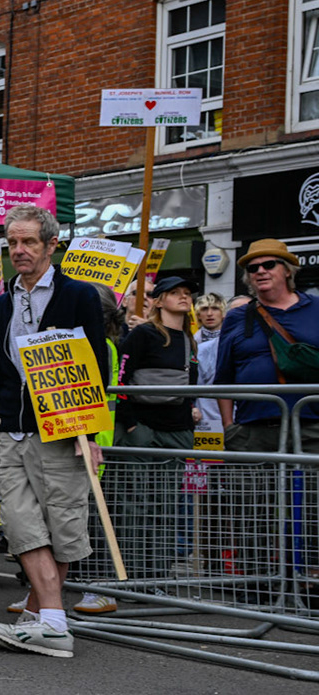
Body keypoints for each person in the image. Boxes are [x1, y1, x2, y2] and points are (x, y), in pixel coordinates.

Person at [0, 204, 111, 659]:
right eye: (13, 242)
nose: (19, 250)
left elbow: (97, 366)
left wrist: (90, 436)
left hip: (62, 432)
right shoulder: (1, 305)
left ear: (51, 245)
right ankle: (53, 622)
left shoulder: (79, 296)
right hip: (12, 433)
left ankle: (42, 619)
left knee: (62, 526)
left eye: (28, 242)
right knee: (20, 526)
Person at [112, 274, 199, 581]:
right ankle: (133, 573)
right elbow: (120, 381)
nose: (184, 297)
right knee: (136, 504)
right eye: (175, 292)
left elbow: (191, 386)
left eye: (187, 292)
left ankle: (158, 573)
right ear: (160, 301)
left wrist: (188, 424)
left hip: (177, 433)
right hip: (142, 430)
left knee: (166, 505)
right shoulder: (143, 335)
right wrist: (132, 425)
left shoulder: (189, 339)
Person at [213, 239, 319, 453]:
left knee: (312, 488)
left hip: (312, 428)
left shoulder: (315, 308)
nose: (260, 271)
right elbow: (224, 376)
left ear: (288, 271)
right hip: (252, 432)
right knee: (254, 488)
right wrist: (229, 427)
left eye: (269, 265)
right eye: (253, 268)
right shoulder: (236, 317)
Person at [193, 293, 227, 434]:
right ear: (198, 314)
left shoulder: (230, 341)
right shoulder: (191, 342)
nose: (210, 314)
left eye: (215, 308)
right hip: (201, 413)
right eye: (205, 309)